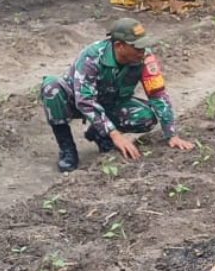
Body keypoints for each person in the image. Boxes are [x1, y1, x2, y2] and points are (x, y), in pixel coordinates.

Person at [40, 18, 195, 172]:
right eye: (137, 47)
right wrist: (115, 134)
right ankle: (67, 148)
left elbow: (158, 95)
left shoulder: (145, 58)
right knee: (51, 87)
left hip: (111, 104)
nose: (142, 51)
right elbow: (85, 101)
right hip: (77, 102)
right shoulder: (92, 57)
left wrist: (171, 134)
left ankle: (99, 133)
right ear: (119, 46)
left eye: (143, 46)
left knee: (145, 117)